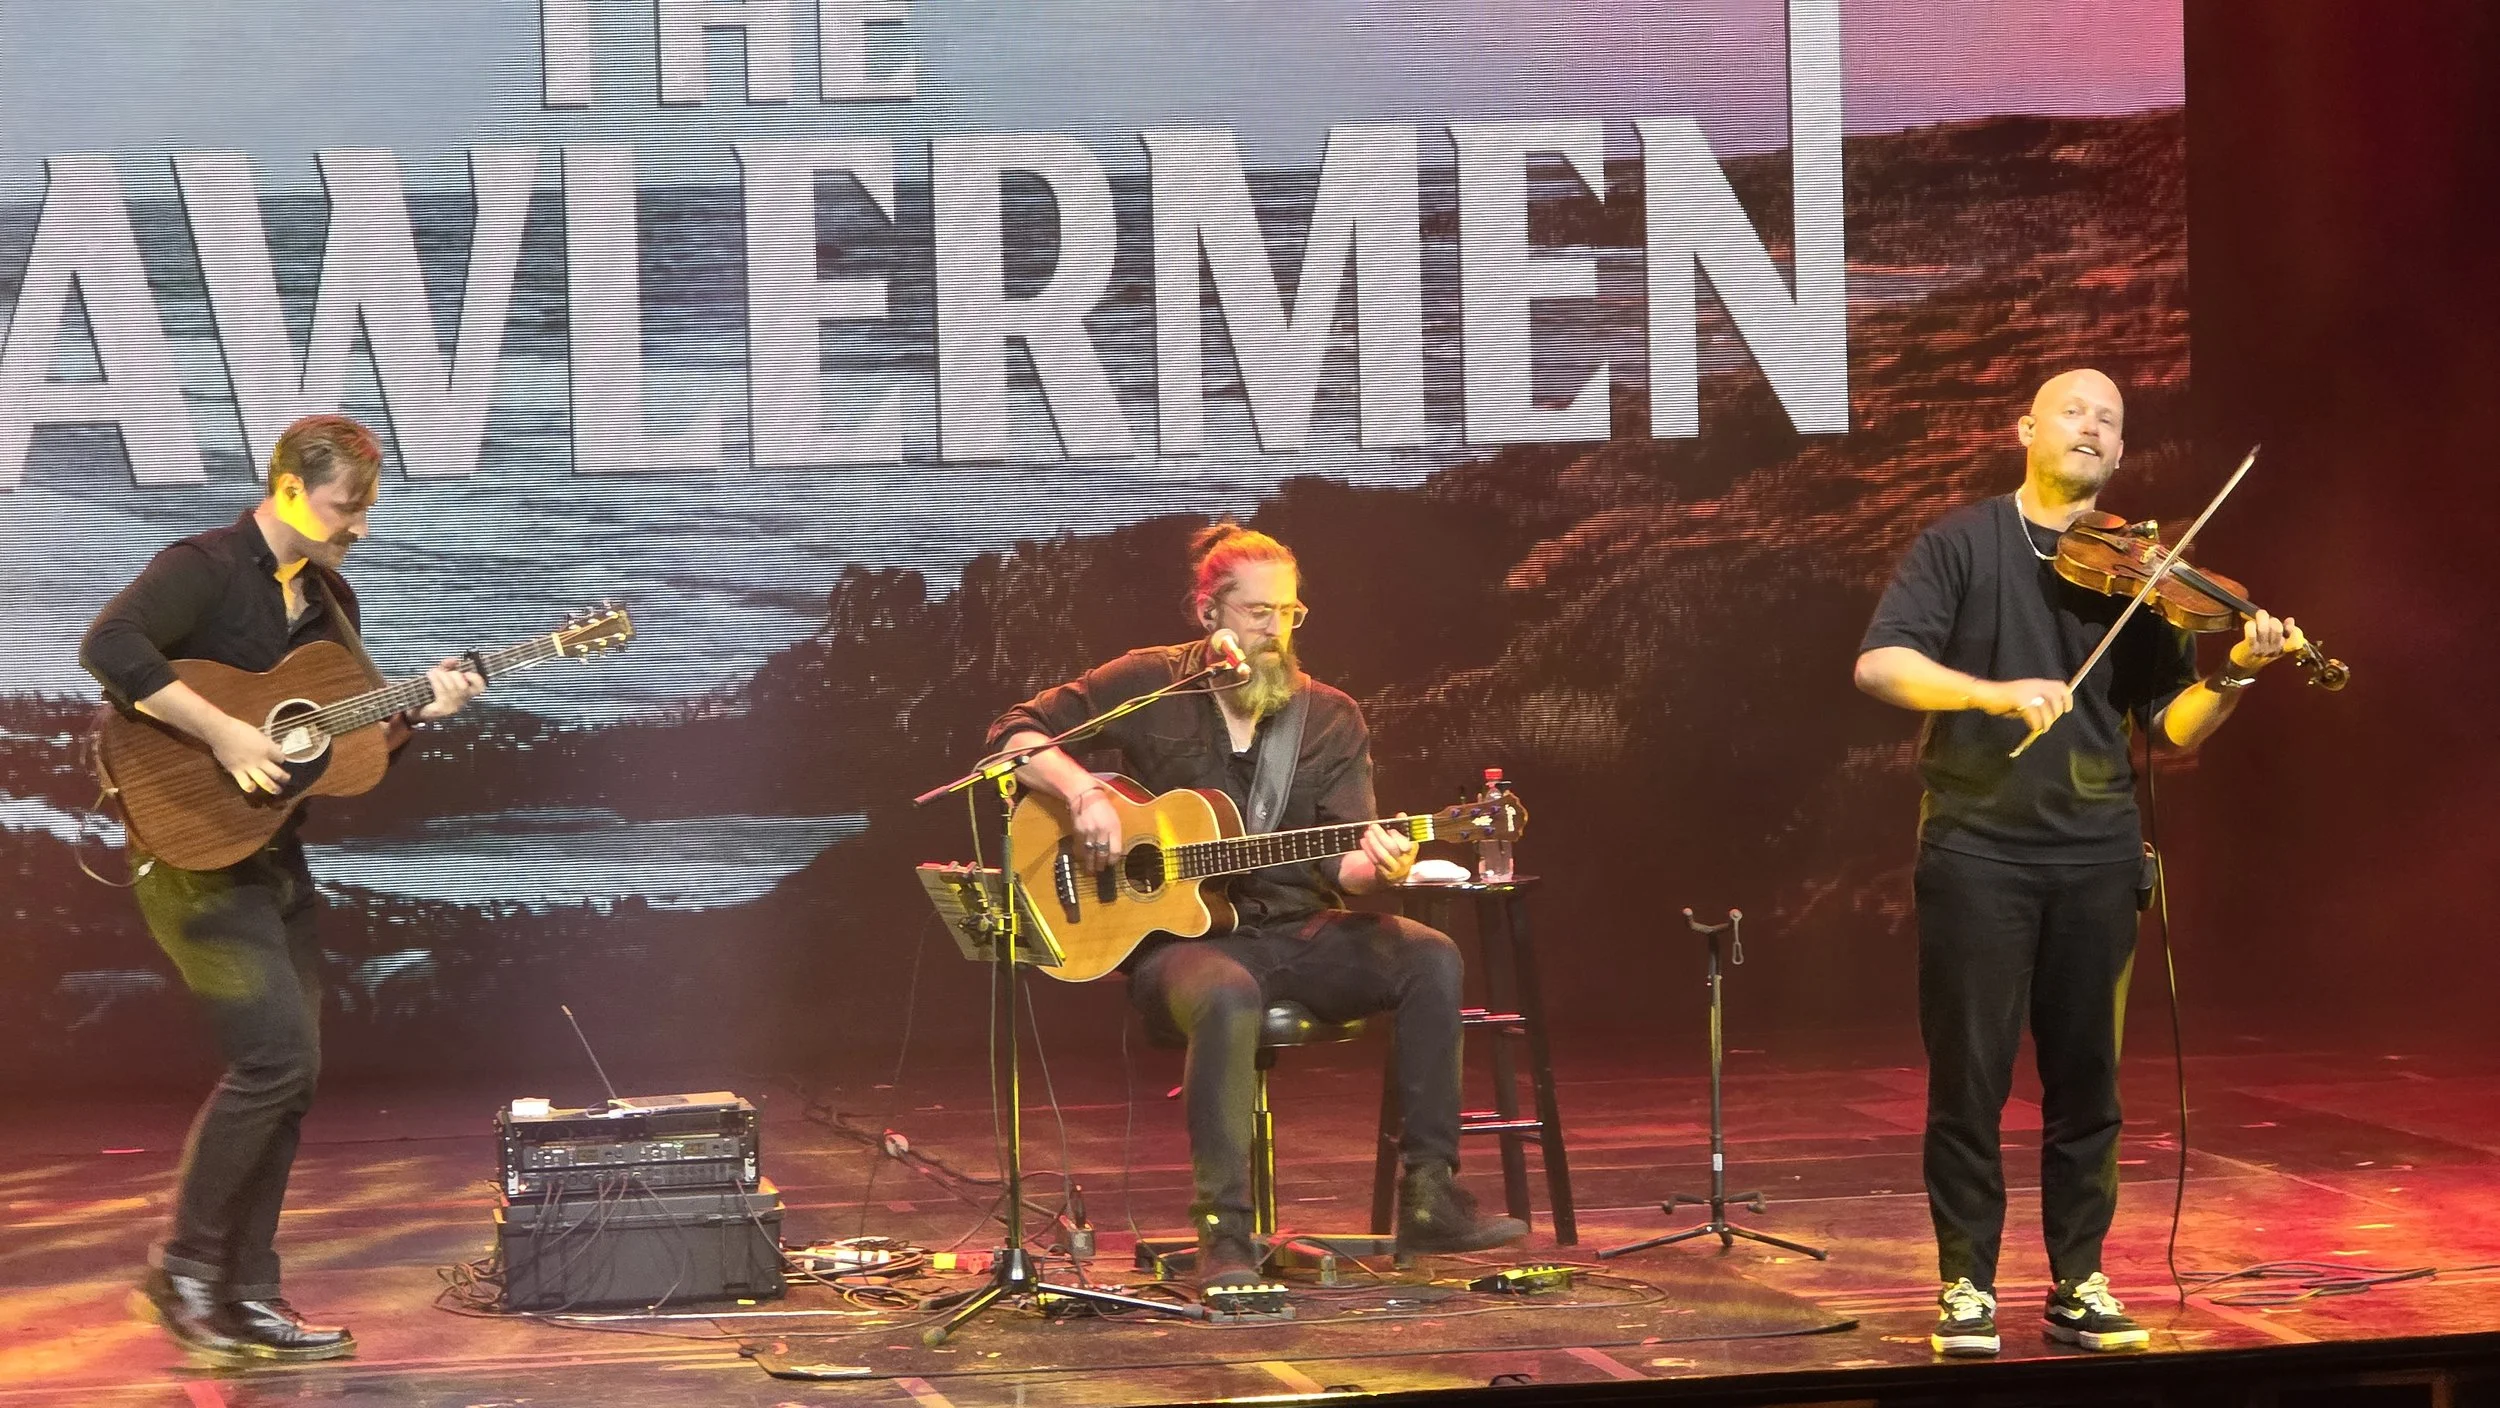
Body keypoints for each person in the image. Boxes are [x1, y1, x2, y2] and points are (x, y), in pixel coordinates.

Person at [1854, 369, 2305, 1358]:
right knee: (1969, 1081)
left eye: (2109, 419)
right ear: (2026, 428)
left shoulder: (2147, 573)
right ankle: (1966, 1284)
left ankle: (2079, 1281)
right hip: (1976, 849)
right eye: (2073, 410)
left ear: (2121, 451)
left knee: (2088, 1085)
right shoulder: (1961, 543)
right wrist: (1990, 693)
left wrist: (2235, 673)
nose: (2091, 426)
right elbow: (1881, 664)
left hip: (2098, 852)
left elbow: (2172, 726)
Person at [986, 522, 1527, 1289]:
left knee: (1429, 956)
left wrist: (1382, 864)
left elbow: (1345, 865)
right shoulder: (1151, 682)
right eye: (1258, 612)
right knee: (1228, 993)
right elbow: (1013, 732)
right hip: (1182, 947)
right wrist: (1082, 793)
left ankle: (1430, 1195)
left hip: (1298, 930)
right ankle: (1226, 1232)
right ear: (1209, 612)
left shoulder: (1330, 716)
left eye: (1289, 613)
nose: (1276, 630)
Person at [81, 415, 485, 1362]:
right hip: (190, 854)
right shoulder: (206, 566)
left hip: (267, 853)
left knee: (292, 1076)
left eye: (367, 510)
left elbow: (344, 750)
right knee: (272, 1062)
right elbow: (111, 647)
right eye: (348, 508)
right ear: (293, 489)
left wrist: (417, 712)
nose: (361, 528)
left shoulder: (330, 600)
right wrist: (225, 732)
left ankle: (246, 1293)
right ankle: (186, 1273)